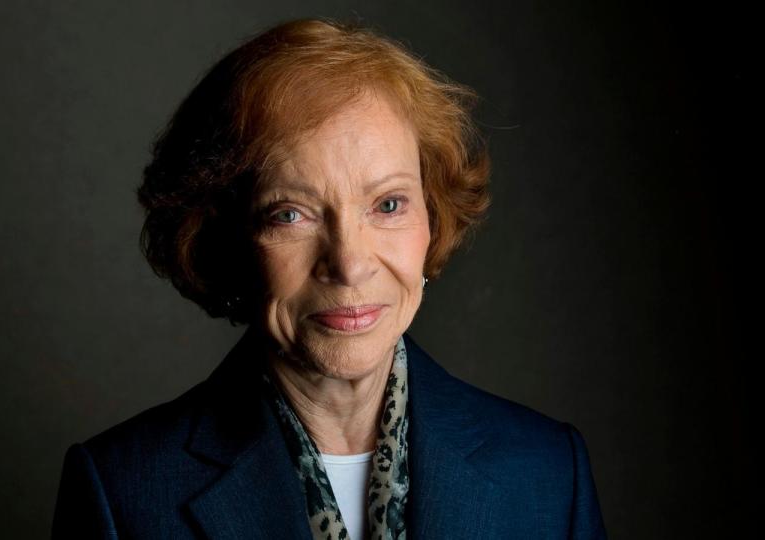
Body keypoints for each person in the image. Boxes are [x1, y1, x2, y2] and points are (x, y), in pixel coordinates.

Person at [52, 17, 607, 540]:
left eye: (388, 205)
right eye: (290, 213)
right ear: (225, 240)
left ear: (432, 219)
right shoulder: (122, 494)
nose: (348, 263)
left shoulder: (548, 473)